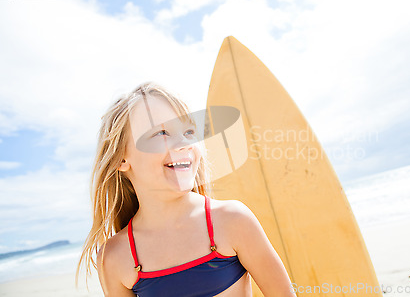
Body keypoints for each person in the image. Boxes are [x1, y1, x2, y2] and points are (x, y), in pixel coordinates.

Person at [76, 82, 296, 296]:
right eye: (160, 133)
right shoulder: (115, 257)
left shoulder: (232, 221)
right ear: (121, 159)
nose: (183, 143)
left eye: (189, 131)